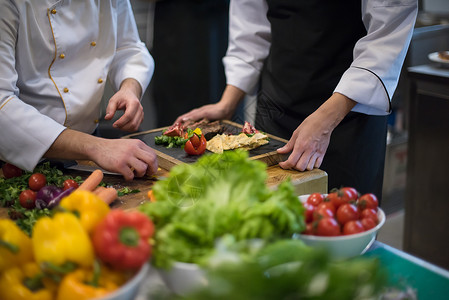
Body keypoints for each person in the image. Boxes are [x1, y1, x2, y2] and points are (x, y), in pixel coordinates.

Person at [175, 0, 418, 197]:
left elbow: (387, 32)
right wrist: (227, 104)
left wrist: (326, 119)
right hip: (277, 106)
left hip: (348, 115)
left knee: (339, 239)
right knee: (268, 222)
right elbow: (249, 33)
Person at [0, 0, 158, 180]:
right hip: (20, 157)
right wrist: (97, 147)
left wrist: (130, 88)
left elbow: (128, 47)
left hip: (91, 152)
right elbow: (2, 104)